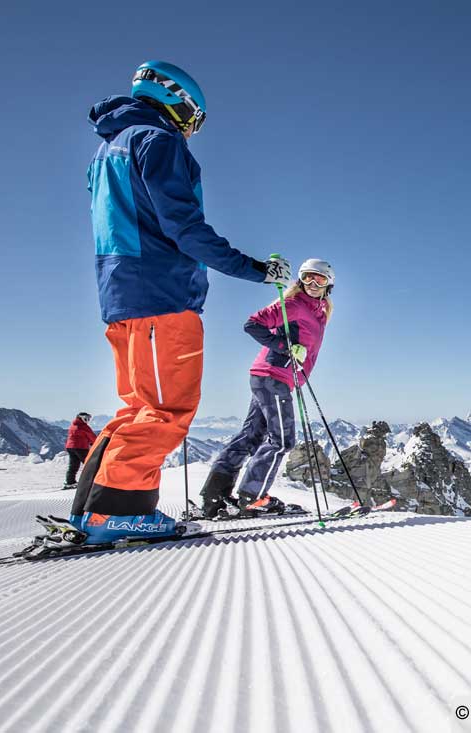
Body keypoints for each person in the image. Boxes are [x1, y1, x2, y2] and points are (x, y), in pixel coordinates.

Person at [71, 60, 292, 545]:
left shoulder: (107, 151)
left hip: (121, 296)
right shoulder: (158, 141)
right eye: (195, 117)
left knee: (137, 408)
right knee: (167, 409)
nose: (193, 129)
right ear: (179, 102)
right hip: (162, 295)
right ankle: (117, 514)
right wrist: (256, 269)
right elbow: (185, 229)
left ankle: (91, 509)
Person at [200, 259, 335, 518]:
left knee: (251, 435)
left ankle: (214, 495)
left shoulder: (319, 313)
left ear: (329, 284)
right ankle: (253, 496)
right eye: (307, 277)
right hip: (273, 375)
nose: (313, 283)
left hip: (273, 377)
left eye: (319, 279)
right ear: (300, 279)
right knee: (283, 439)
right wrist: (285, 347)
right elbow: (252, 324)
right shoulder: (293, 305)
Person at [63, 412, 97, 489]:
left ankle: (70, 482)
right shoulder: (84, 427)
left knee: (73, 465)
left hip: (70, 447)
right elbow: (92, 436)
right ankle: (91, 481)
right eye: (86, 418)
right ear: (80, 418)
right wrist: (96, 444)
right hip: (81, 447)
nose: (87, 420)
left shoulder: (72, 425)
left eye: (88, 419)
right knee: (90, 464)